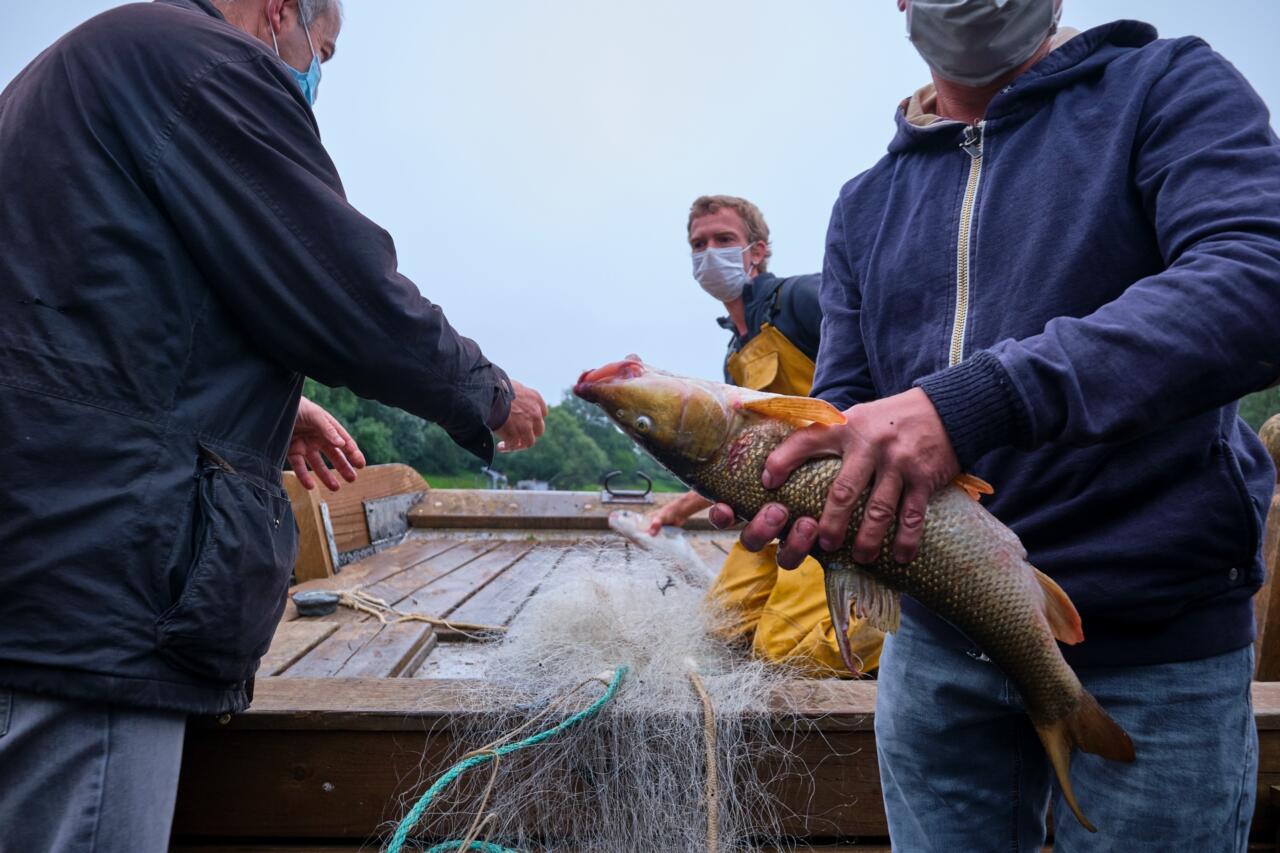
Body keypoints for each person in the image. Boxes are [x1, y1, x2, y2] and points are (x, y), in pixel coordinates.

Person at [711, 0, 1280, 849]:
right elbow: (845, 407)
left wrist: (975, 401)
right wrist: (797, 486)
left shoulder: (1167, 86)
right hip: (934, 654)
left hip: (1155, 646)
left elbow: (1256, 278)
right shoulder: (865, 204)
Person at [0, 1, 547, 849]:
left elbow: (85, 316)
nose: (314, 73)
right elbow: (338, 286)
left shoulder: (62, 75)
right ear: (279, 11)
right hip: (96, 601)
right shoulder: (209, 67)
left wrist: (277, 407)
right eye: (322, 51)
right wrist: (489, 393)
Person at [647, 195, 883, 676]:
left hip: (839, 506)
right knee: (721, 629)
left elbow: (882, 338)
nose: (709, 252)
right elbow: (740, 461)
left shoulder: (800, 299)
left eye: (724, 239)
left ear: (756, 251)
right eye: (698, 244)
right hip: (772, 514)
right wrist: (676, 510)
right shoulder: (734, 355)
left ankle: (907, 626)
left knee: (786, 649)